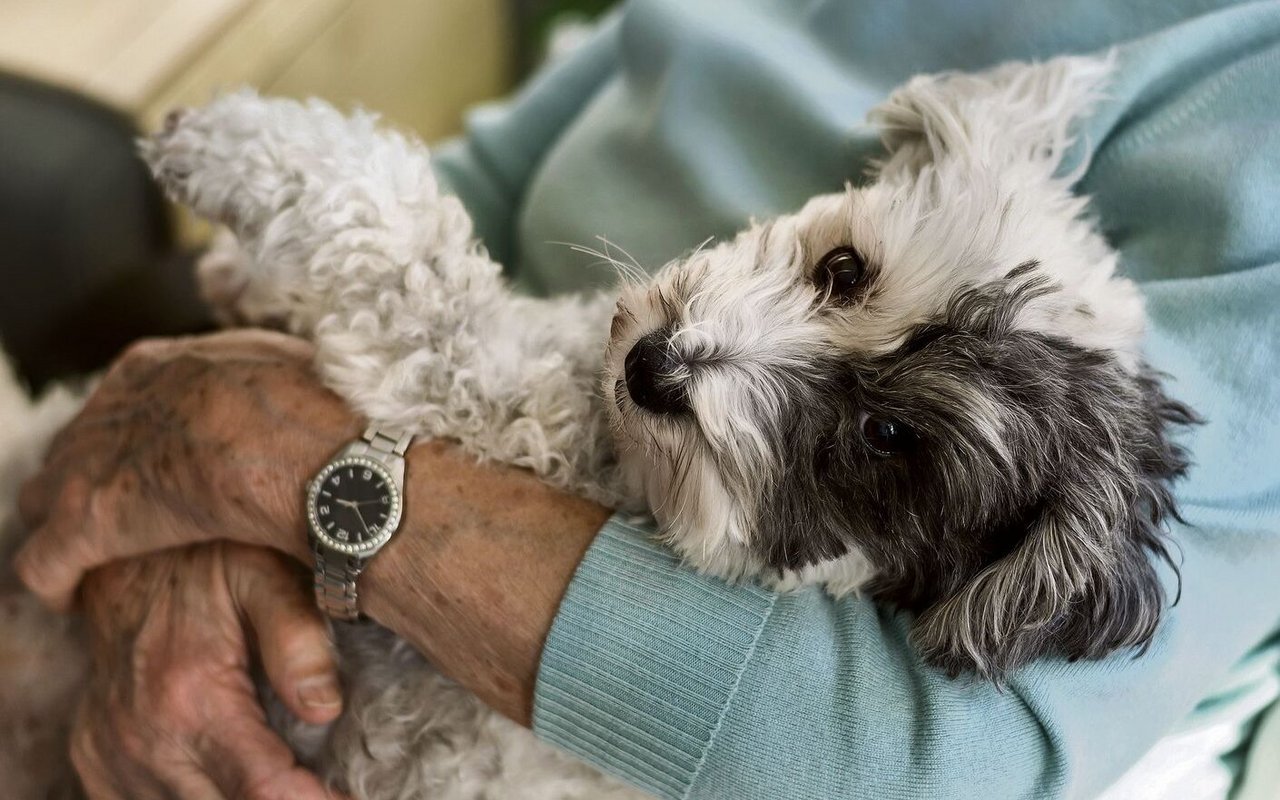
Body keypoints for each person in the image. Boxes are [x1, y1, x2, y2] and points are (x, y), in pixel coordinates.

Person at [15, 0, 1280, 797]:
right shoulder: (976, 157)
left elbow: (907, 758)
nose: (694, 353)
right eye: (832, 270)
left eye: (881, 436)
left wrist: (273, 467)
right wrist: (192, 478)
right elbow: (489, 174)